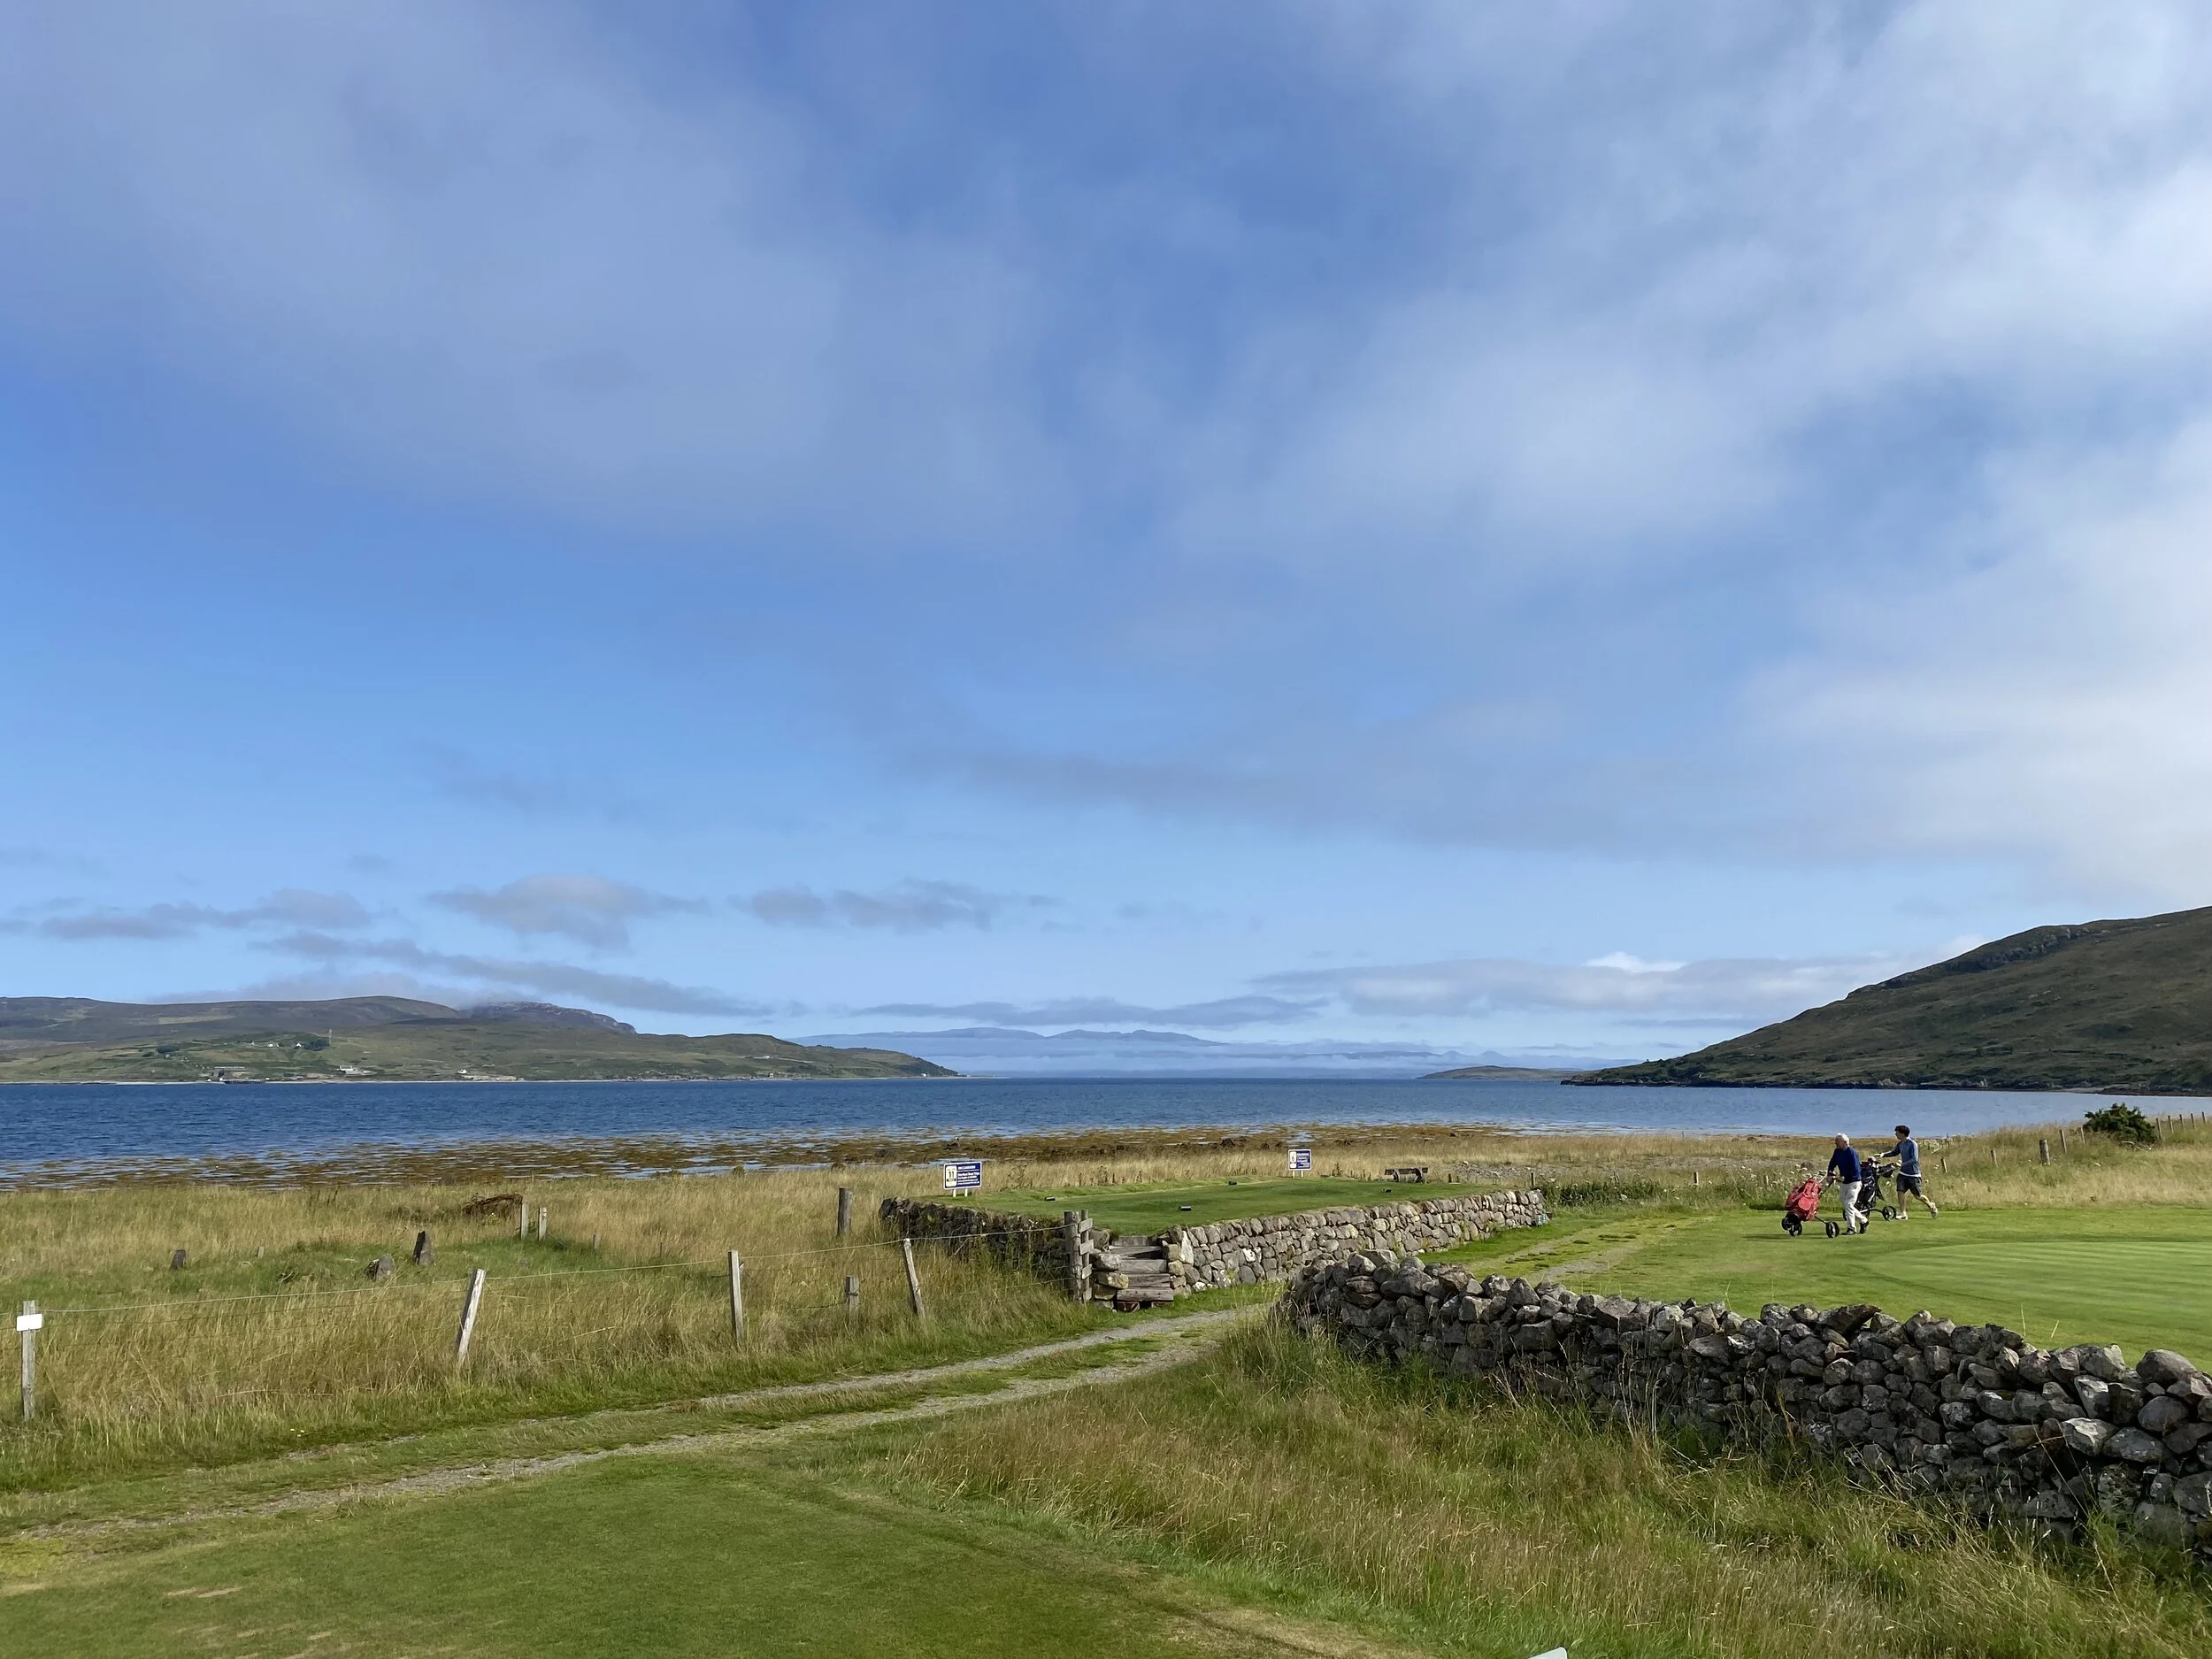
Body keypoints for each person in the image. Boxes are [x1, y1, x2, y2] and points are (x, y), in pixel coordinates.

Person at [1888, 1125, 1939, 1217]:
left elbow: (1914, 1159)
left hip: (1913, 1175)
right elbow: (1894, 1152)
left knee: (1918, 1196)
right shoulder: (1900, 1144)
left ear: (1903, 1133)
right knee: (1900, 1191)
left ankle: (1931, 1205)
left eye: (1897, 1132)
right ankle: (1903, 1213)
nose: (1896, 1134)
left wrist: (1902, 1164)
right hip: (1903, 1174)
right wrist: (1882, 1155)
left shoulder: (1912, 1144)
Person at [1827, 1134, 1865, 1233]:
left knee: (1849, 1204)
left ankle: (1851, 1228)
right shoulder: (1837, 1151)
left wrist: (1844, 1177)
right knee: (1845, 1203)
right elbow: (1832, 1163)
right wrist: (1830, 1173)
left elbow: (1855, 1169)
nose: (1835, 1143)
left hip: (1854, 1182)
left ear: (1845, 1142)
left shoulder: (1852, 1153)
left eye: (1837, 1141)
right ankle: (1863, 1220)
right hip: (1844, 1182)